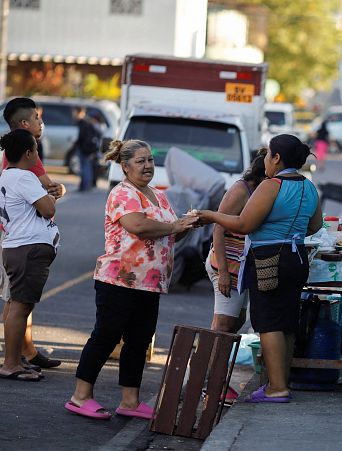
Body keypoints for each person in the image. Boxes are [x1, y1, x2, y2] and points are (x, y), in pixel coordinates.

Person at [66, 140, 197, 420]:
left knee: (139, 340)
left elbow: (169, 233)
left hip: (149, 283)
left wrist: (185, 225)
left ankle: (130, 401)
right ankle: (80, 396)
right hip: (119, 280)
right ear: (125, 166)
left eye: (150, 160)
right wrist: (174, 226)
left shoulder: (158, 196)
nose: (148, 165)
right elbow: (137, 225)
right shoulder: (122, 193)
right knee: (106, 336)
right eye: (140, 161)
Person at [195, 134, 322, 403]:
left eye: (268, 155)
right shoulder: (309, 186)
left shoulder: (272, 185)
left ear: (276, 158)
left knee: (268, 323)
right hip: (297, 256)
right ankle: (281, 381)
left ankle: (277, 388)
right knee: (286, 322)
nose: (265, 159)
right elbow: (315, 226)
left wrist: (209, 215)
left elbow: (243, 225)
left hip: (269, 258)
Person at [0, 97, 64, 373]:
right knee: (17, 303)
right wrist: (53, 195)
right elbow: (47, 204)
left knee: (19, 302)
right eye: (37, 118)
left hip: (16, 240)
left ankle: (23, 354)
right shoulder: (23, 170)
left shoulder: (14, 164)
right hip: (21, 243)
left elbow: (50, 190)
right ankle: (12, 361)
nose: (41, 122)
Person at [204, 147, 268, 403]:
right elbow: (218, 229)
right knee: (222, 326)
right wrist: (223, 274)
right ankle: (211, 383)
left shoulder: (264, 190)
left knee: (235, 323)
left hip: (242, 267)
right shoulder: (242, 190)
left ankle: (215, 379)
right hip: (226, 266)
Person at [74, 106, 100, 192]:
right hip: (88, 148)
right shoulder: (88, 122)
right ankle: (86, 185)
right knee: (87, 167)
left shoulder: (83, 123)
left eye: (75, 112)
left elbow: (82, 136)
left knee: (85, 167)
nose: (73, 114)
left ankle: (84, 186)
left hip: (84, 148)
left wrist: (76, 143)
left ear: (80, 112)